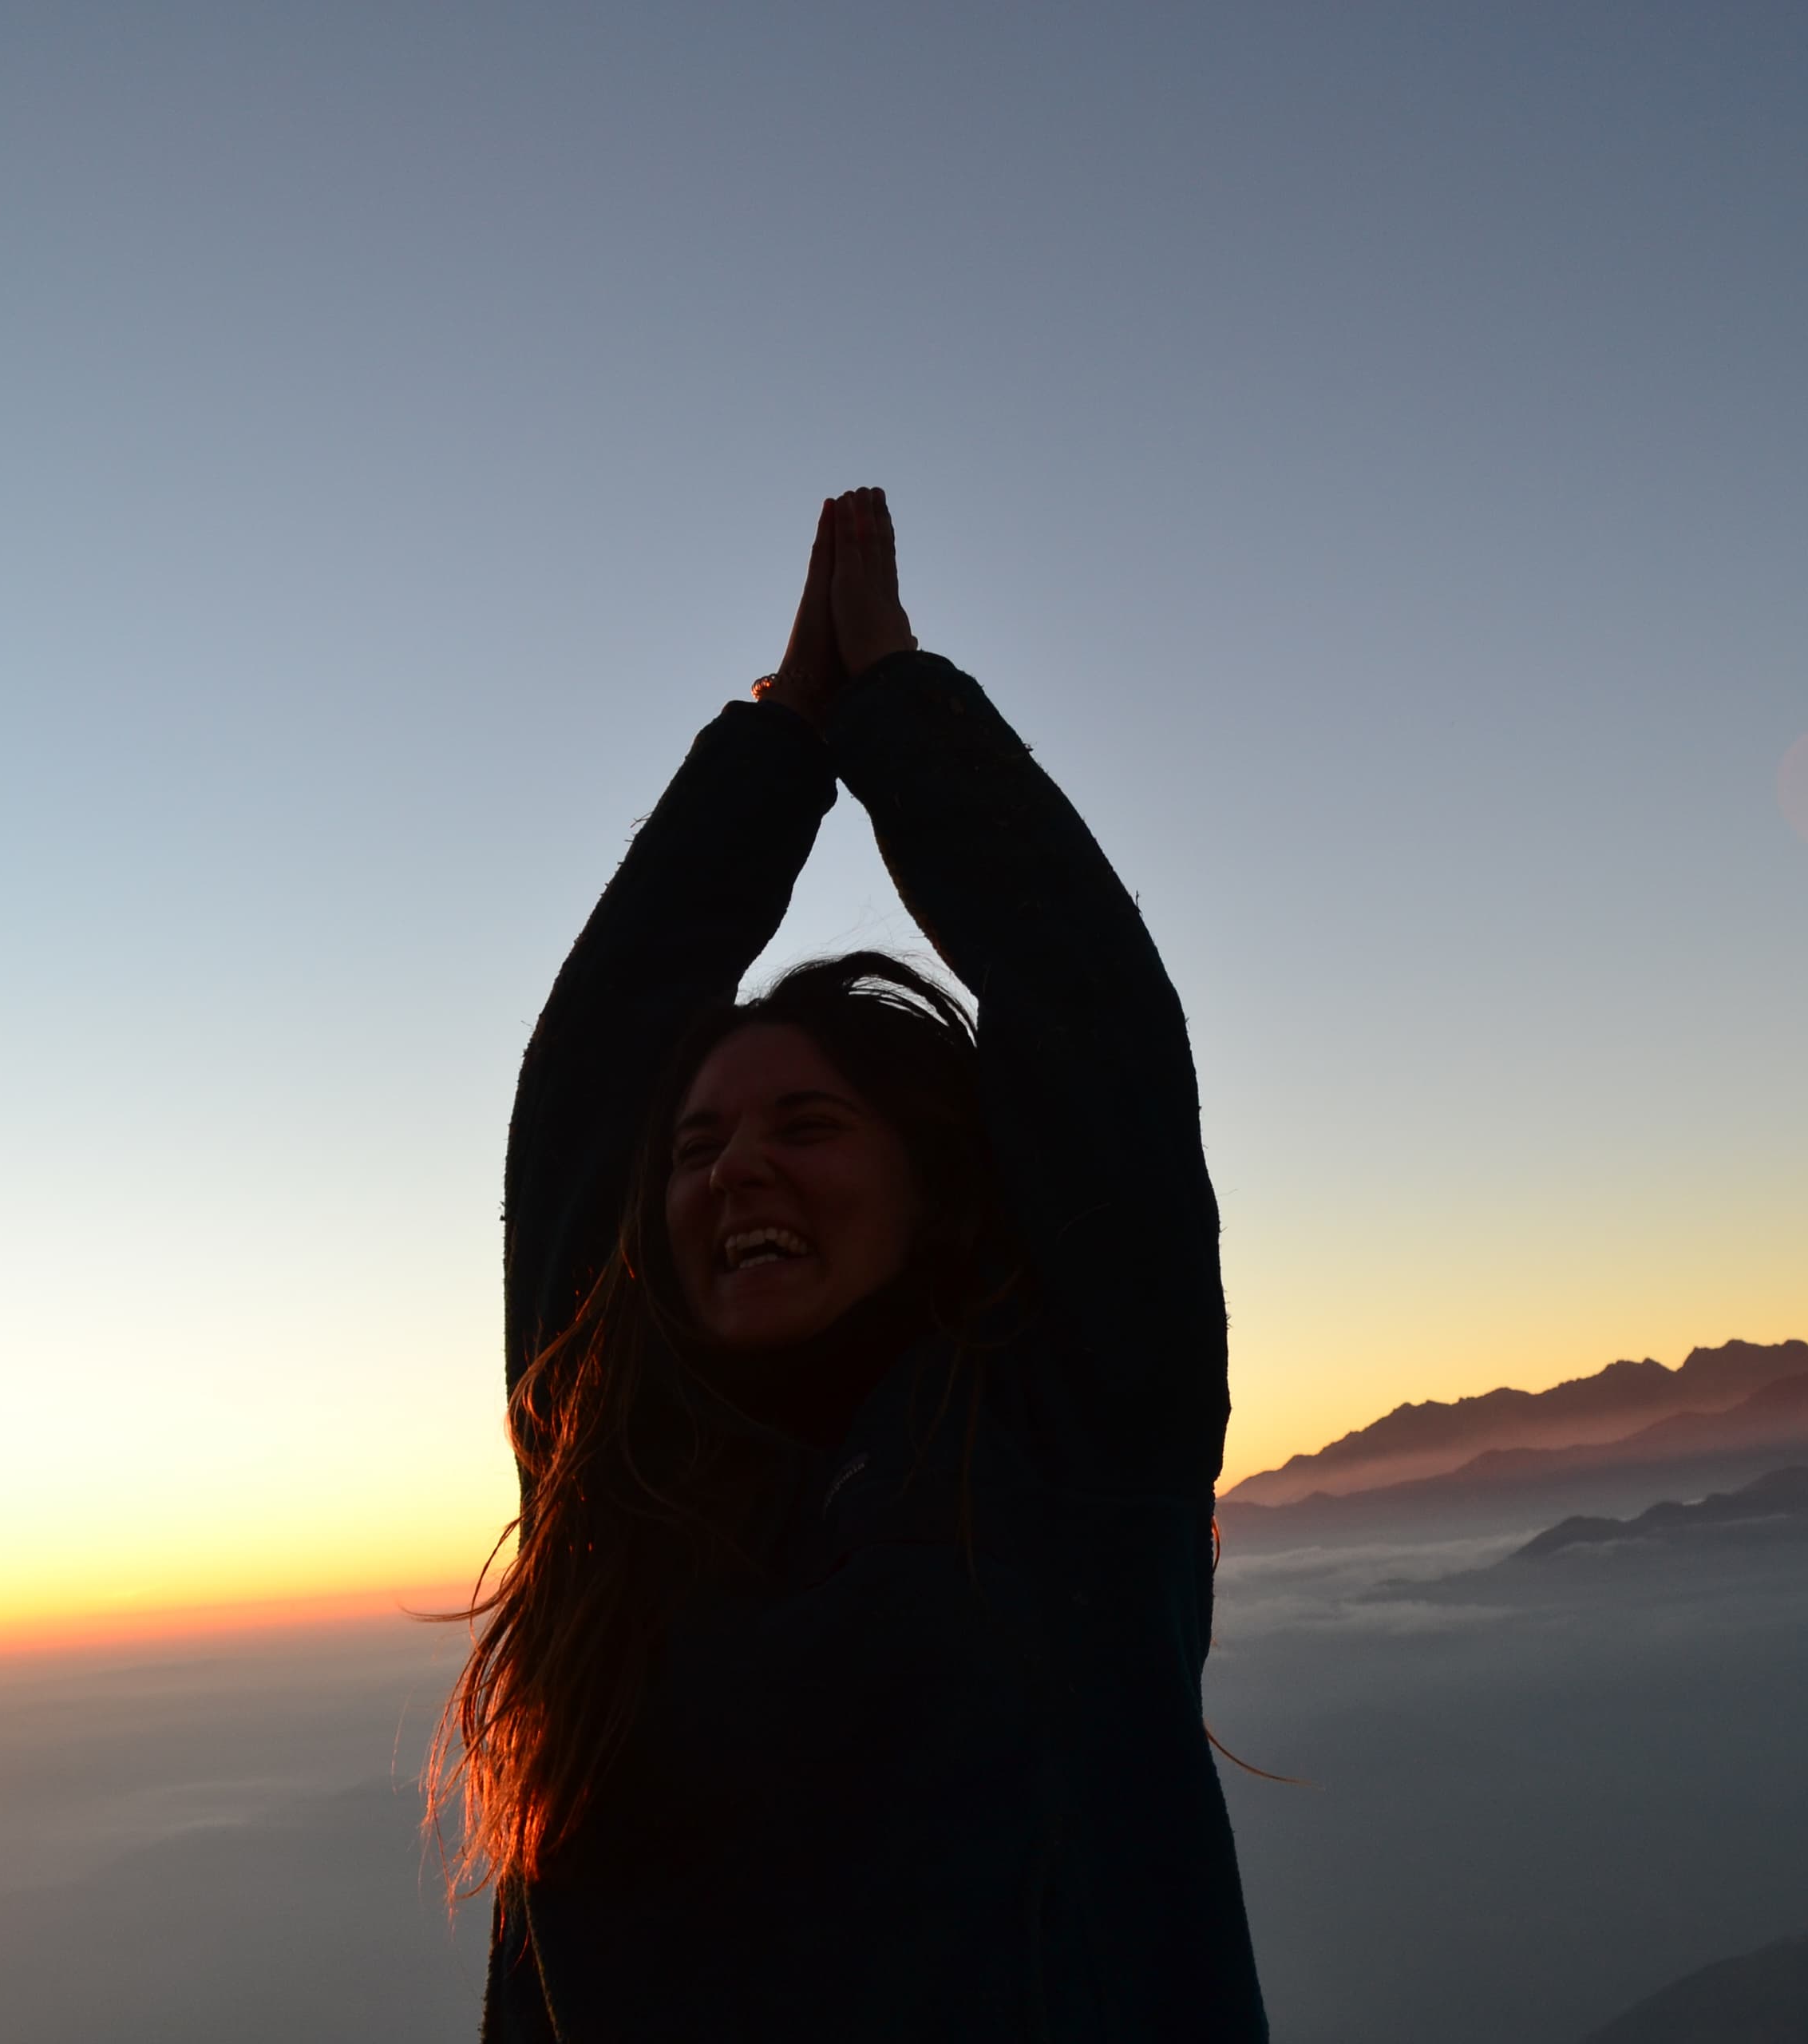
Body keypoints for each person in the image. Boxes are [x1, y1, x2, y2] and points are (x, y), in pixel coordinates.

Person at [437, 489, 1270, 2039]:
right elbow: (583, 1093)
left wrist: (884, 710)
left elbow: (1090, 1017)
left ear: (940, 1182)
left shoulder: (1071, 1441)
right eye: (695, 1148)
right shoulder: (618, 1479)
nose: (736, 1165)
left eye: (805, 1123)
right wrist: (762, 758)